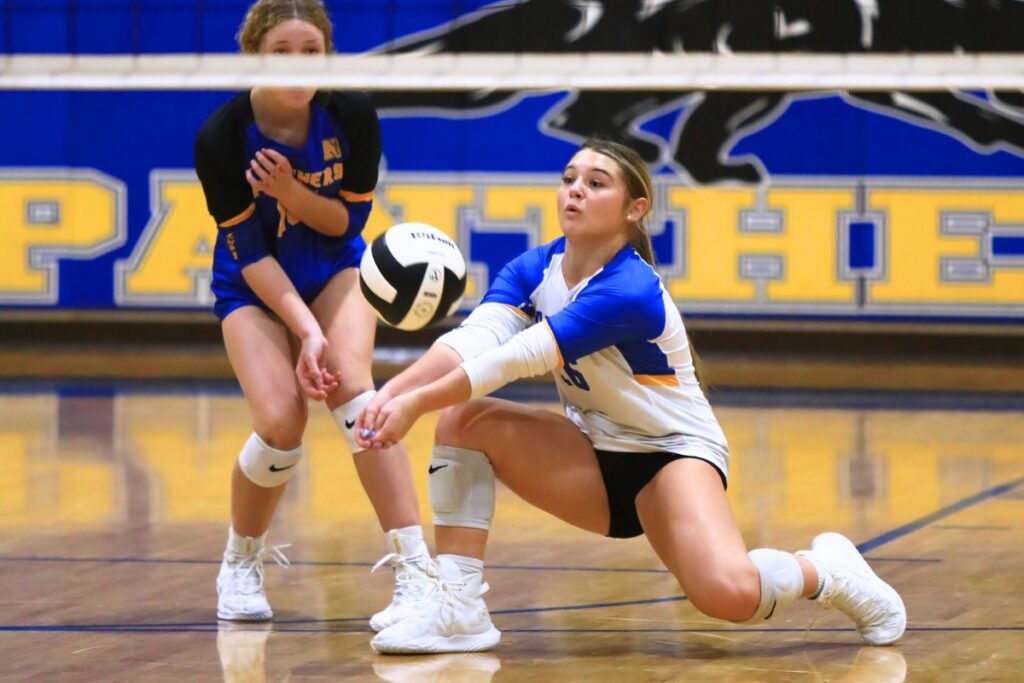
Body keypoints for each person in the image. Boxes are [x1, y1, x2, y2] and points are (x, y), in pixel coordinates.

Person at [355, 138, 907, 654]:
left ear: (634, 209)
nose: (575, 190)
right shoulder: (534, 268)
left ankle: (826, 571)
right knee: (464, 422)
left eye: (596, 183)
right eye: (569, 178)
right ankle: (459, 610)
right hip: (593, 452)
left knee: (729, 595)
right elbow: (475, 341)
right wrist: (393, 392)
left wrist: (413, 404)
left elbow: (515, 359)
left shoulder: (629, 289)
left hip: (671, 454)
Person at [193, 0, 433, 628]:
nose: (298, 64)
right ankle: (240, 559)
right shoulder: (221, 138)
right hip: (256, 284)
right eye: (282, 52)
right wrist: (305, 330)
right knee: (280, 421)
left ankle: (416, 571)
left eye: (311, 51)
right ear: (255, 55)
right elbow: (250, 255)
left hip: (333, 266)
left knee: (357, 395)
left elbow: (345, 224)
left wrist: (289, 192)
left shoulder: (350, 113)